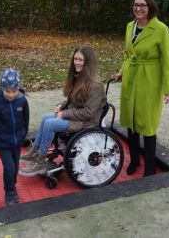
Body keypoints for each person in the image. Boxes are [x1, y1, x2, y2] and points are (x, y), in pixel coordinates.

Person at [20, 46, 107, 176]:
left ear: (88, 62)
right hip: (76, 116)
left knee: (50, 124)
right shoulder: (80, 77)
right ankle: (35, 151)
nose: (76, 62)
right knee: (45, 118)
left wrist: (65, 113)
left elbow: (89, 112)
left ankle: (40, 160)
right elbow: (75, 100)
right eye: (75, 59)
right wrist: (62, 105)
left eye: (80, 60)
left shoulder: (95, 85)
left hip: (87, 122)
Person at [114, 0, 169, 177]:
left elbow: (168, 60)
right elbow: (127, 54)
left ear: (150, 8)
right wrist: (122, 71)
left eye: (142, 5)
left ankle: (149, 167)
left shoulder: (161, 29)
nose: (138, 8)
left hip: (150, 80)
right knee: (131, 123)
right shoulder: (129, 26)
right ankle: (134, 161)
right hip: (131, 78)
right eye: (136, 5)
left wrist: (168, 89)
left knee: (147, 125)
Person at [0, 68, 30, 206]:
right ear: (2, 88)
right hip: (3, 142)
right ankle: (9, 193)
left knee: (14, 168)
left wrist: (22, 136)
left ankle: (12, 185)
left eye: (14, 91)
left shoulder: (22, 101)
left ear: (18, 89)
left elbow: (26, 120)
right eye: (7, 91)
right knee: (9, 167)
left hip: (17, 142)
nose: (11, 94)